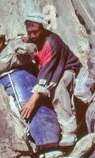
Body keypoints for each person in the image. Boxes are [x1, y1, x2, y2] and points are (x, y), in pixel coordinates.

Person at [22, 13, 82, 147]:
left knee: (59, 88)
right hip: (49, 70)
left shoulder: (52, 42)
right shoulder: (33, 40)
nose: (32, 36)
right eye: (29, 32)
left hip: (67, 68)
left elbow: (50, 72)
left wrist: (33, 100)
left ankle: (69, 131)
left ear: (43, 29)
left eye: (35, 32)